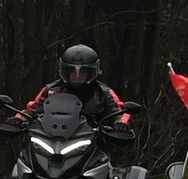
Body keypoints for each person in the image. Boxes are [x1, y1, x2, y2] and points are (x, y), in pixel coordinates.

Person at [7, 44, 135, 135]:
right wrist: (19, 119)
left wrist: (121, 123)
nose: (77, 76)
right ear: (65, 71)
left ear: (93, 72)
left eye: (83, 72)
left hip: (92, 144)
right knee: (24, 163)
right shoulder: (51, 90)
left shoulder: (104, 93)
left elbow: (120, 112)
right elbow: (32, 109)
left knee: (108, 166)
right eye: (73, 72)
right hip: (52, 139)